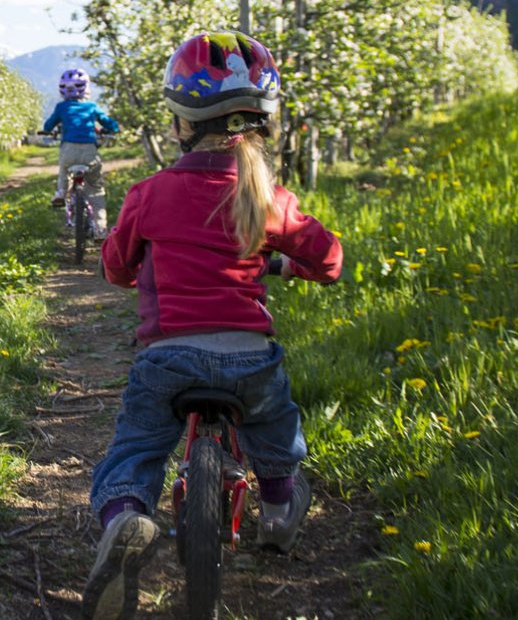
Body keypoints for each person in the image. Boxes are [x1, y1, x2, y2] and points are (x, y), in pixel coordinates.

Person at [79, 31, 342, 620]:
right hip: (251, 358)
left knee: (137, 448)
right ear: (261, 127)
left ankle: (125, 518)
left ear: (180, 124)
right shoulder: (267, 196)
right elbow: (329, 259)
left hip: (168, 357)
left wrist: (134, 269)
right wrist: (288, 263)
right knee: (276, 434)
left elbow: (117, 266)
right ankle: (276, 507)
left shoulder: (149, 195)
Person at [40, 68, 119, 237]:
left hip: (68, 149)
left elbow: (48, 126)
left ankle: (61, 193)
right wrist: (111, 129)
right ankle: (100, 229)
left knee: (64, 171)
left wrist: (47, 131)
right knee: (95, 188)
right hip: (89, 151)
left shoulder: (61, 107)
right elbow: (110, 124)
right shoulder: (92, 107)